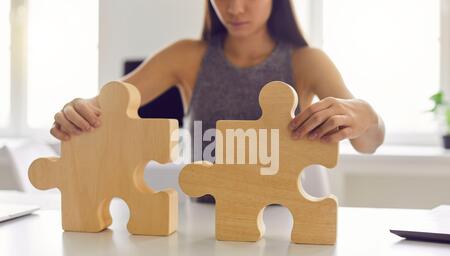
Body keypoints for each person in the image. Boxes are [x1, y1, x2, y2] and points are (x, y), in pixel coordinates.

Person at [51, 0, 385, 157]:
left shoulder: (307, 60)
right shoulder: (185, 56)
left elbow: (368, 142)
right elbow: (104, 106)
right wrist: (77, 111)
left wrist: (365, 114)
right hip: (202, 222)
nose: (235, 8)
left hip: (283, 221)